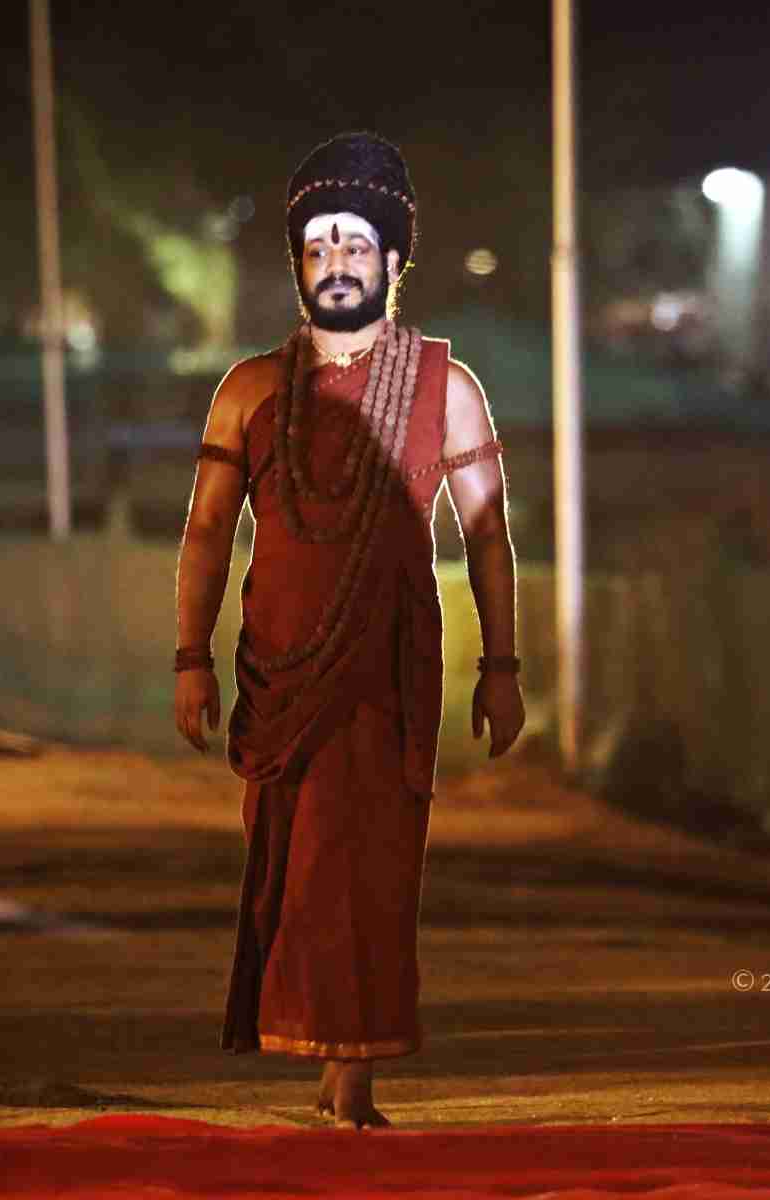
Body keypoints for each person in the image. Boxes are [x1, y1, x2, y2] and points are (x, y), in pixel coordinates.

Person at [172, 131, 525, 1130]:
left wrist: (502, 667)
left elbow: (487, 532)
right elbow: (206, 531)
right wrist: (191, 657)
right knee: (298, 872)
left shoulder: (448, 388)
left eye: (357, 245)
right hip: (280, 671)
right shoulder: (248, 389)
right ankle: (326, 1061)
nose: (336, 263)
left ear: (394, 260)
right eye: (318, 246)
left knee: (369, 872)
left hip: (387, 673)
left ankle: (353, 1079)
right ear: (297, 264)